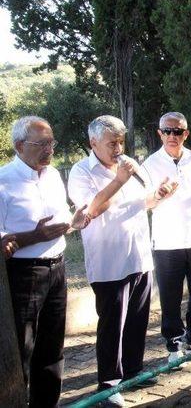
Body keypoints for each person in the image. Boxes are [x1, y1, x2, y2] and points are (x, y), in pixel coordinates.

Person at [67, 115, 176, 407]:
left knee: (138, 320)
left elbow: (144, 201)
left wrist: (159, 195)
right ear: (93, 143)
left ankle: (133, 372)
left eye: (121, 141)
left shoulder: (129, 164)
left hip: (139, 255)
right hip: (108, 263)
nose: (118, 148)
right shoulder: (81, 172)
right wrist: (118, 180)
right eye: (111, 143)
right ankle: (109, 383)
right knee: (112, 324)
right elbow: (90, 211)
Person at [0, 116, 90, 408]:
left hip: (57, 267)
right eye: (42, 144)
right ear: (19, 145)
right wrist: (32, 236)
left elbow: (61, 216)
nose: (49, 149)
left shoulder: (52, 175)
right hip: (24, 274)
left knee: (52, 347)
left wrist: (74, 221)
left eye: (52, 142)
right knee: (22, 349)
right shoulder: (3, 180)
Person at [140, 112, 191, 367]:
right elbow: (145, 202)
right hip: (167, 242)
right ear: (159, 133)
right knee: (170, 297)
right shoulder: (149, 165)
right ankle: (174, 345)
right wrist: (160, 194)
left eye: (178, 131)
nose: (173, 135)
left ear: (186, 134)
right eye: (168, 130)